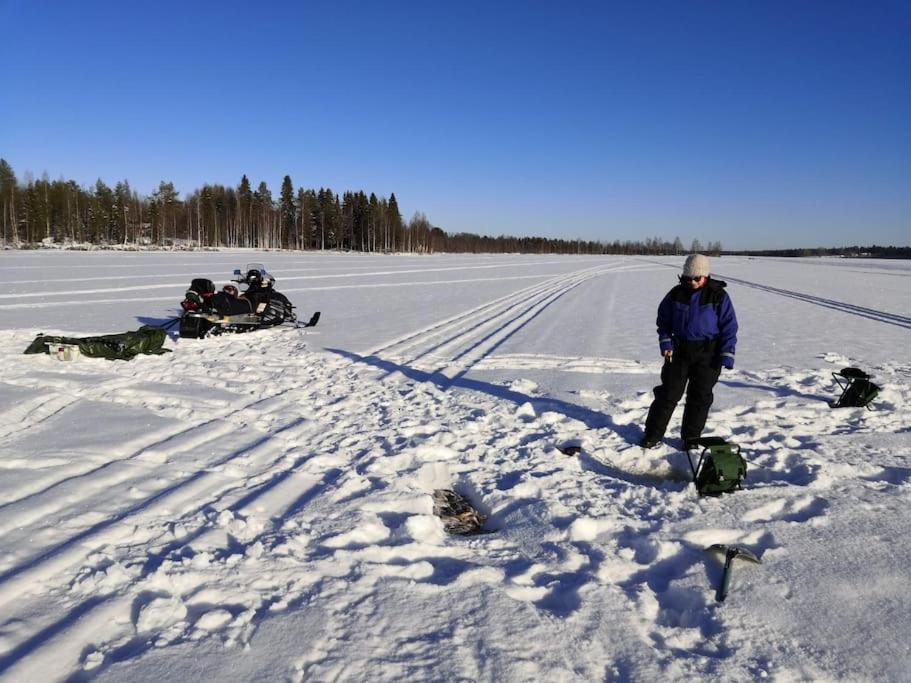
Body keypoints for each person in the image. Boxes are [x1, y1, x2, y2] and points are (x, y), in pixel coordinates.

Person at [640, 254, 738, 449]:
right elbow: (664, 320)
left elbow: (729, 326)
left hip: (708, 352)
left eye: (696, 278)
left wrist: (727, 353)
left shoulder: (718, 296)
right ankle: (652, 435)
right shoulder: (676, 294)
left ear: (705, 276)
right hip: (679, 350)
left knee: (700, 397)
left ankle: (691, 439)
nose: (691, 282)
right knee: (668, 394)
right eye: (687, 278)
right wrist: (666, 342)